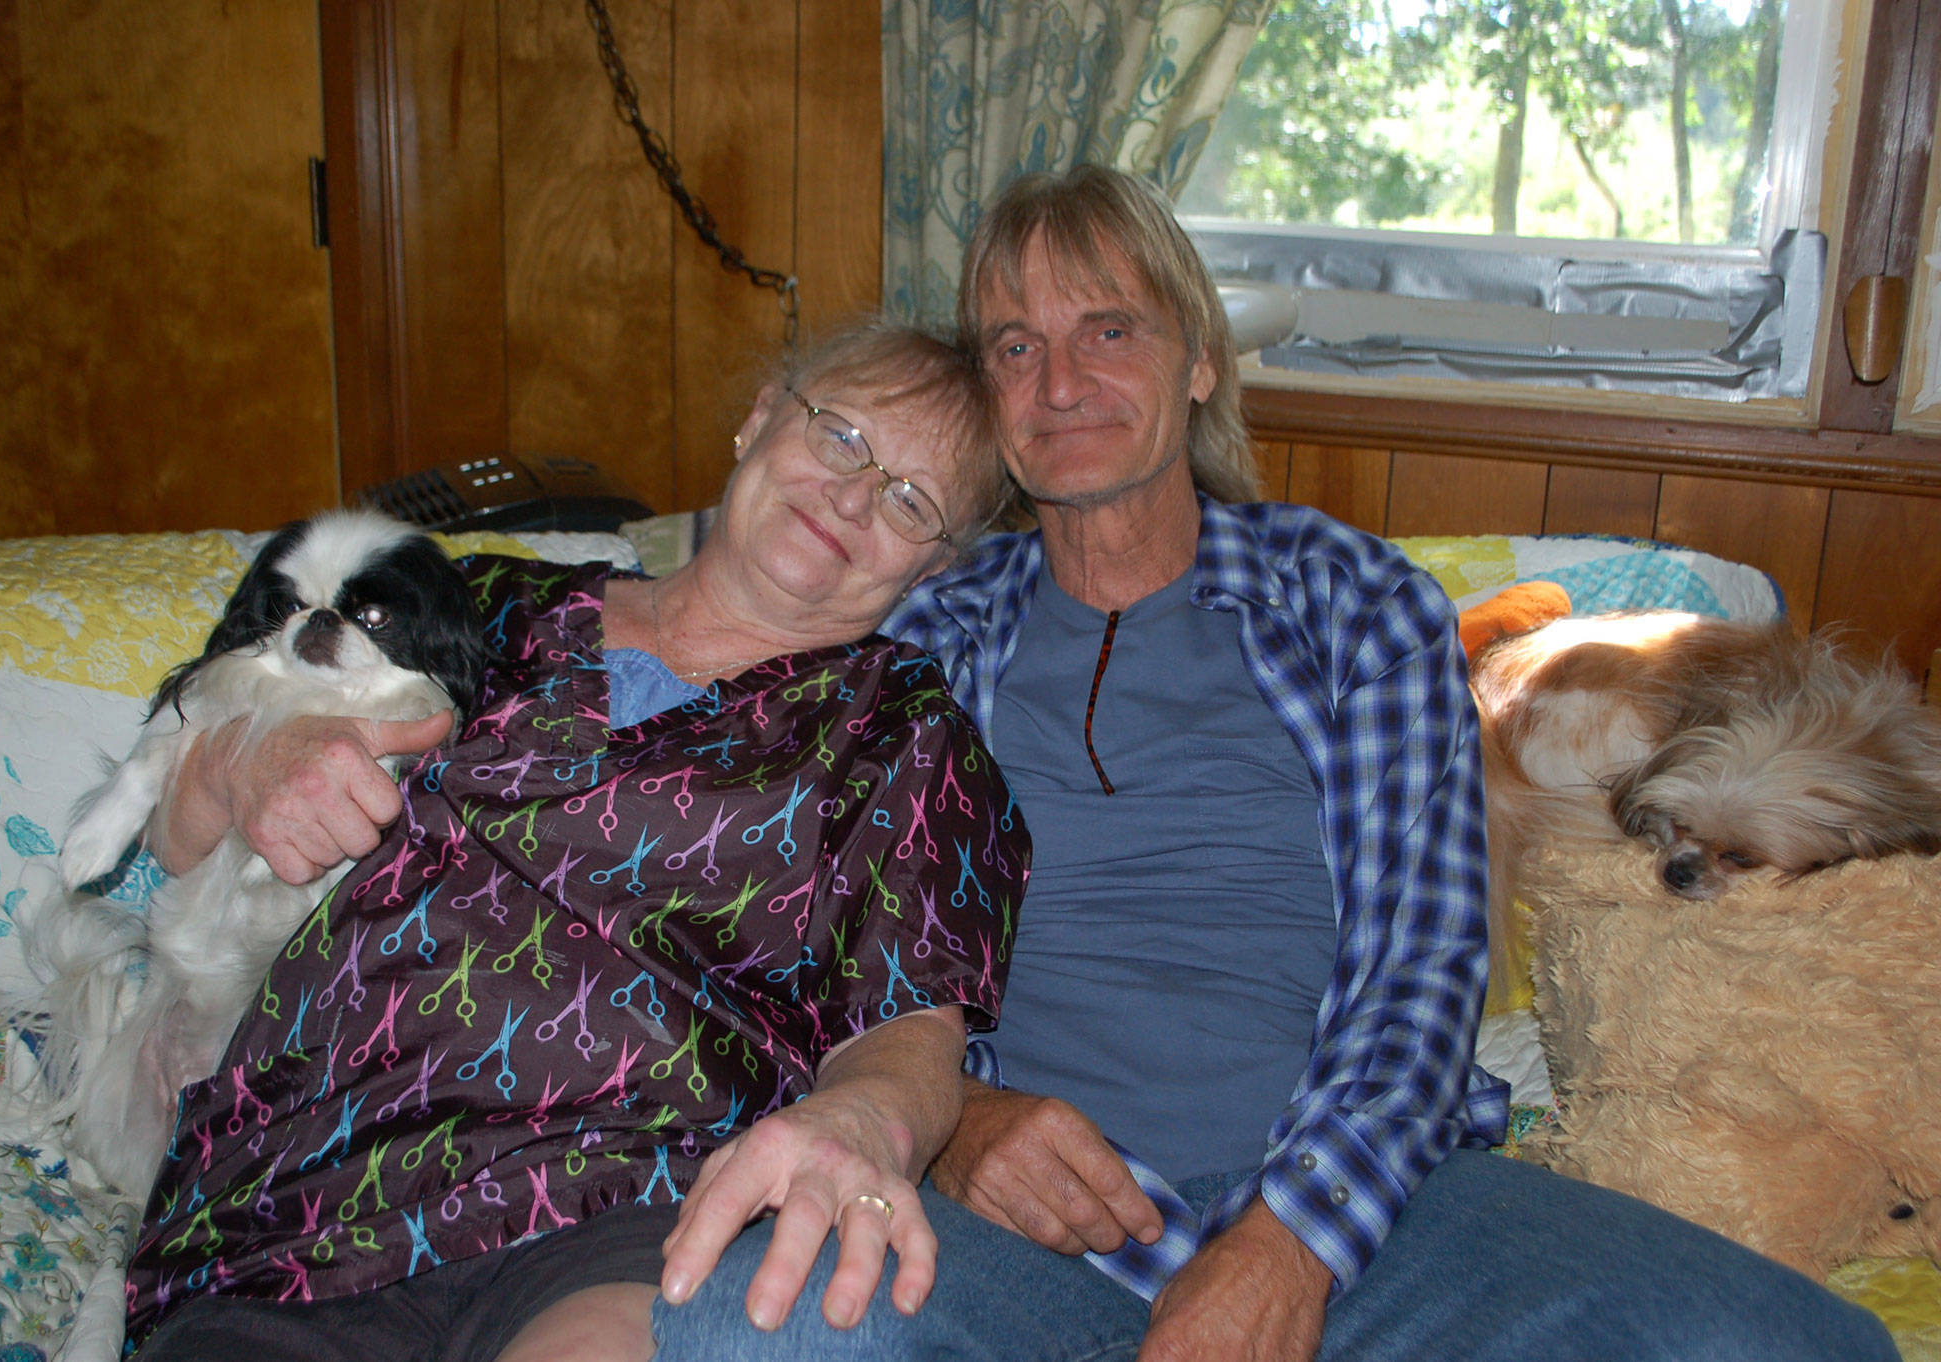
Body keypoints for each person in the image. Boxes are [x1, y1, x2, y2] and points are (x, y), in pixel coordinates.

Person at [648, 167, 1899, 1361]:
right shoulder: (925, 630)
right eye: (1013, 347)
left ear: (1198, 360)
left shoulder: (1353, 604)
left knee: (1796, 1343)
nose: (1060, 379)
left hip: (1361, 1219)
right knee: (732, 1323)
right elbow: (818, 945)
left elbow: (1422, 973)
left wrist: (1285, 1250)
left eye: (1108, 329)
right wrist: (957, 1125)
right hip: (1010, 1229)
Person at [121, 318, 1031, 1361]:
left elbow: (910, 1033)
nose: (854, 496)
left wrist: (865, 1124)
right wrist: (245, 765)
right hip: (315, 1190)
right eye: (839, 439)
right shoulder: (475, 605)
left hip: (635, 1198)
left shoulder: (904, 732)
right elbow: (172, 839)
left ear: (935, 565)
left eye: (910, 502)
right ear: (756, 422)